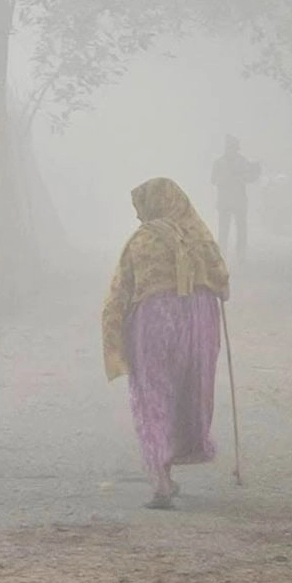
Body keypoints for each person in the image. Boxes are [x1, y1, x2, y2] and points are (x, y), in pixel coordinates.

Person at [102, 177, 230, 509]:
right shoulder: (197, 237)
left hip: (153, 325)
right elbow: (222, 282)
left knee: (154, 396)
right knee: (184, 394)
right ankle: (168, 475)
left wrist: (114, 340)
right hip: (196, 327)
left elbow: (118, 295)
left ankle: (160, 480)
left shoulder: (139, 242)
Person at [211, 135, 261, 264]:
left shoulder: (243, 161)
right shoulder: (218, 163)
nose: (233, 150)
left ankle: (241, 255)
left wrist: (255, 171)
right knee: (223, 230)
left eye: (234, 148)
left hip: (239, 201)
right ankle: (222, 255)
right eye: (231, 147)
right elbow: (213, 180)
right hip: (225, 201)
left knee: (241, 229)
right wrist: (225, 178)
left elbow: (251, 178)